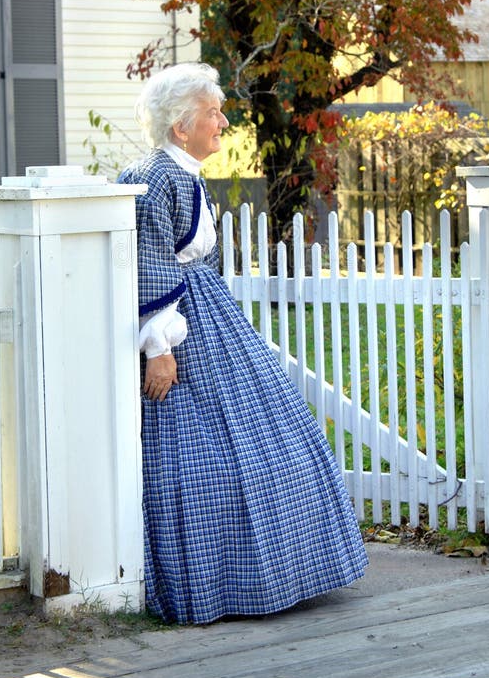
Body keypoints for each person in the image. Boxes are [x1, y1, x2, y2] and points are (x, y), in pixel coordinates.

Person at [118, 62, 368, 625]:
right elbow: (151, 265)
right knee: (202, 454)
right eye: (213, 113)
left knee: (269, 439)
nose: (223, 122)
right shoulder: (160, 179)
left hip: (209, 315)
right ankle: (220, 582)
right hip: (182, 323)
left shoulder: (180, 173)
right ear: (182, 126)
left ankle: (270, 573)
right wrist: (159, 347)